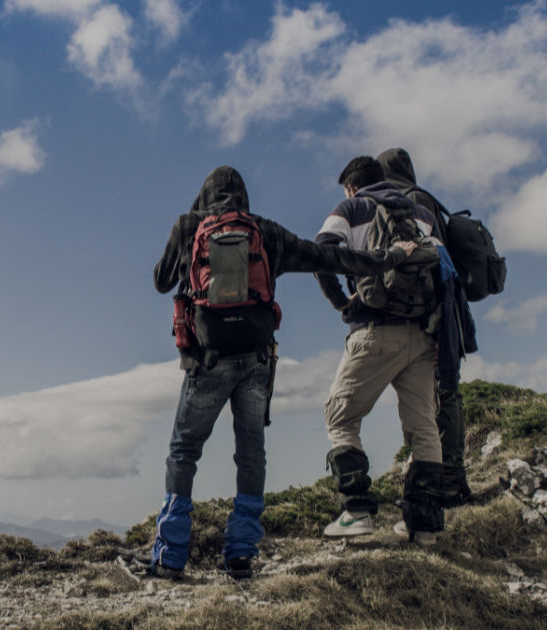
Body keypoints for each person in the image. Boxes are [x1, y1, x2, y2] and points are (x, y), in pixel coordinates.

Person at [149, 165, 414, 580]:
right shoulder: (265, 231)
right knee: (250, 452)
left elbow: (161, 281)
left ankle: (170, 555)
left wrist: (189, 241)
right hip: (256, 361)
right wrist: (391, 257)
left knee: (184, 450)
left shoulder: (189, 226)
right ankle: (240, 554)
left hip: (207, 360)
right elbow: (329, 256)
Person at [313, 155, 446, 545]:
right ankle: (424, 527)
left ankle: (357, 512)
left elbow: (322, 252)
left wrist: (341, 302)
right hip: (422, 335)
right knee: (424, 426)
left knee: (340, 417)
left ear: (352, 187)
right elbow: (444, 270)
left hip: (374, 330)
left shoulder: (351, 208)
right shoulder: (422, 214)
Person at [377, 147, 479, 508]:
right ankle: (442, 479)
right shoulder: (425, 198)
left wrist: (433, 325)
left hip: (437, 315)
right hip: (445, 312)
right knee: (438, 393)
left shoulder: (410, 202)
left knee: (441, 393)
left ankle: (449, 482)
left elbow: (431, 265)